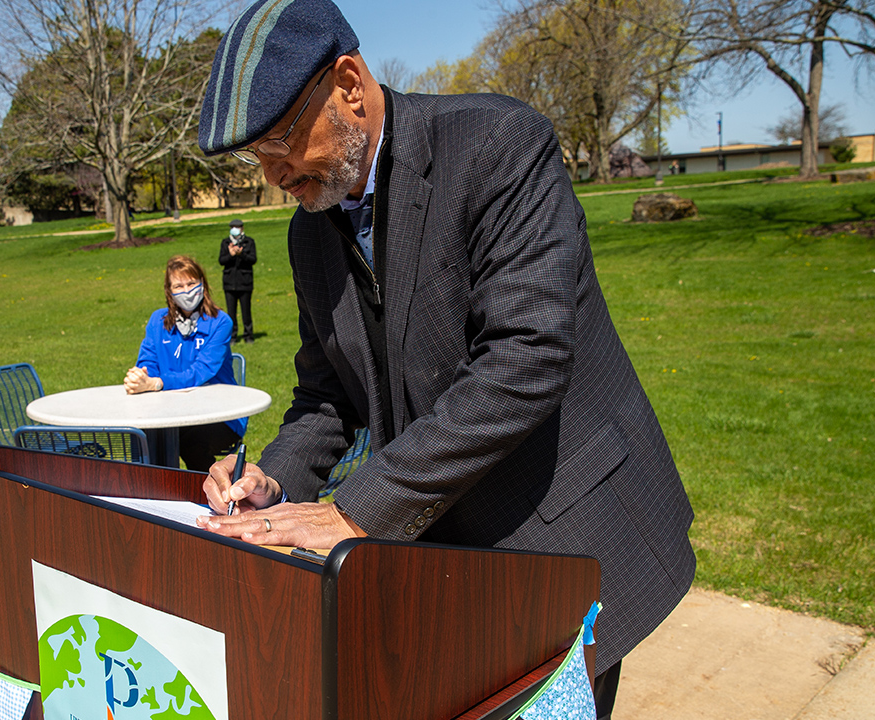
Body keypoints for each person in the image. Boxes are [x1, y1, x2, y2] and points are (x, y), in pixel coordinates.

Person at [191, 1, 695, 716]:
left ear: (350, 83)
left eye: (280, 142)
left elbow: (526, 359)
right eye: (255, 158)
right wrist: (273, 479)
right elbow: (328, 394)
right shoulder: (309, 232)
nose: (273, 174)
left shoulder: (497, 144)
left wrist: (354, 510)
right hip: (445, 563)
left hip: (559, 540)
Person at [124, 255, 245, 471]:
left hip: (219, 414)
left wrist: (157, 383)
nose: (186, 290)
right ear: (169, 291)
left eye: (191, 283)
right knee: (143, 437)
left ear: (202, 284)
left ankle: (212, 495)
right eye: (178, 285)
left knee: (188, 441)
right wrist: (140, 378)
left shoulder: (220, 322)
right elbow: (148, 361)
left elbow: (201, 372)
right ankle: (155, 496)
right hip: (168, 412)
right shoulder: (157, 321)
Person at [218, 218, 257, 343]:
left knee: (246, 311)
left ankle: (248, 335)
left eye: (237, 227)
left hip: (245, 282)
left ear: (242, 228)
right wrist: (231, 254)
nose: (235, 229)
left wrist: (241, 254)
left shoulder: (249, 242)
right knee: (231, 313)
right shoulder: (225, 243)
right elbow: (221, 261)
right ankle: (233, 336)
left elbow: (253, 259)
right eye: (233, 226)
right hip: (229, 283)